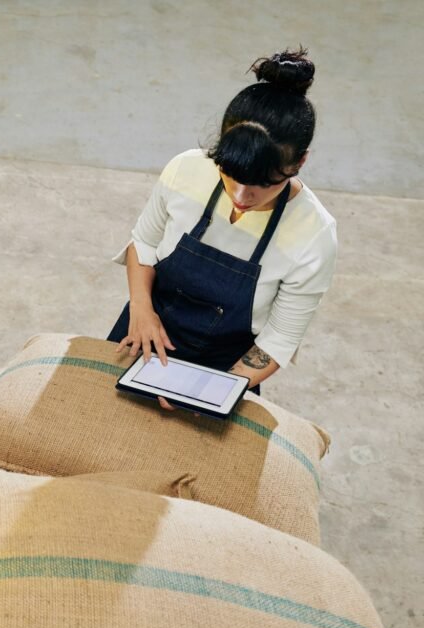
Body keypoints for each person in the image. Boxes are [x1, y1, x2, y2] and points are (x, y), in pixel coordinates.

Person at [108, 47, 337, 409]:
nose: (242, 196)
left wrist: (208, 392)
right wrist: (141, 309)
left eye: (264, 183)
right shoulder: (186, 170)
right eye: (230, 176)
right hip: (142, 335)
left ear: (301, 161)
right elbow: (145, 243)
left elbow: (278, 340)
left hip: (226, 370)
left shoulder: (314, 235)